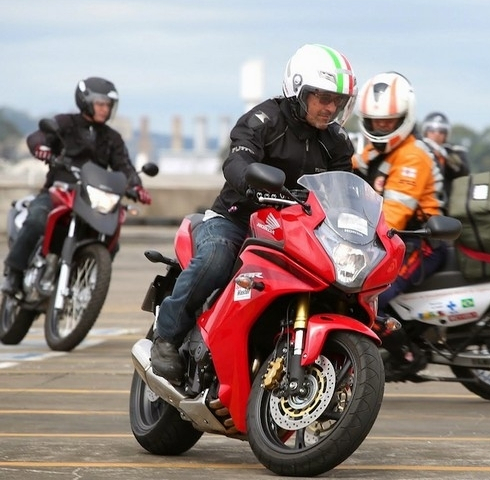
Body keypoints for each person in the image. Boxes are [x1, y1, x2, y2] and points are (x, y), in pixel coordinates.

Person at [150, 44, 358, 383]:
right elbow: (237, 160)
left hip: (296, 231)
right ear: (298, 90)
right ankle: (167, 336)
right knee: (216, 259)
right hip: (237, 220)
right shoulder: (264, 120)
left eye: (338, 100)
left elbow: (347, 188)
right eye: (322, 97)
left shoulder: (336, 141)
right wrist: (251, 182)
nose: (330, 107)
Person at [1, 77, 151, 296]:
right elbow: (38, 136)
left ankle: (83, 288)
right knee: (36, 220)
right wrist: (42, 147)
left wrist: (136, 186)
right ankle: (13, 274)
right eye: (100, 104)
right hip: (58, 191)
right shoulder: (64, 123)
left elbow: (125, 167)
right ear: (85, 102)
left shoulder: (113, 138)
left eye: (108, 105)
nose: (105, 109)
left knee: (112, 242)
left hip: (90, 199)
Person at [352, 71, 446, 377]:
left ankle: (406, 356)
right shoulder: (378, 150)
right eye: (375, 120)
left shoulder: (412, 156)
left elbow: (393, 216)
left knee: (371, 293)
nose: (380, 126)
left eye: (388, 121)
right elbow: (347, 170)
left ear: (404, 118)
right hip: (391, 239)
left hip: (418, 241)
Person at [420, 111, 470, 202]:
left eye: (441, 131)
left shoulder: (453, 151)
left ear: (446, 134)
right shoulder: (417, 148)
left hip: (445, 200)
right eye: (432, 130)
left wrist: (445, 157)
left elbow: (463, 171)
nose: (436, 134)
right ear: (425, 131)